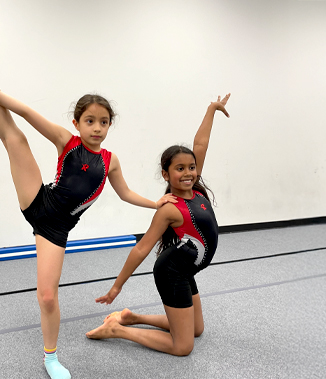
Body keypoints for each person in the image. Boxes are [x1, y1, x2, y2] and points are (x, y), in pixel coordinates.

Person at [0, 18, 175, 379]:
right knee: (15, 138)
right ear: (77, 123)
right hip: (38, 199)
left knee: (47, 296)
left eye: (103, 122)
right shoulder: (68, 141)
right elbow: (26, 113)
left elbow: (125, 193)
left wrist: (155, 204)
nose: (97, 128)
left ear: (109, 126)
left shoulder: (110, 161)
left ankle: (50, 357)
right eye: (90, 121)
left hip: (56, 227)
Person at [86, 93, 231, 357]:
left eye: (191, 167)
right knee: (183, 346)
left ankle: (131, 318)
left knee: (196, 330)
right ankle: (116, 330)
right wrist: (117, 287)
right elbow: (141, 249)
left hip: (186, 269)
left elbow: (200, 144)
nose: (188, 173)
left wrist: (212, 109)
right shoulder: (169, 209)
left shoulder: (196, 189)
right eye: (179, 169)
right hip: (172, 272)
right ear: (166, 174)